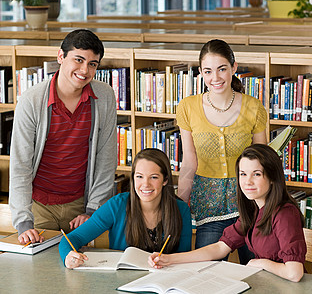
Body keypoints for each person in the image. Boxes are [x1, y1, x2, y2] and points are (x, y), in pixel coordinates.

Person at [9, 29, 117, 245]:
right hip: (38, 206)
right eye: (78, 59)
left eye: (93, 64)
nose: (84, 70)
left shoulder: (104, 96)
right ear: (61, 56)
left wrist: (92, 210)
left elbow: (106, 159)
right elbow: (20, 165)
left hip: (80, 205)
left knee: (80, 268)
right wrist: (24, 222)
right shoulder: (31, 100)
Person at [149, 144, 306, 282]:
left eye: (256, 174)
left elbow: (294, 273)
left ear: (272, 177)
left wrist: (260, 263)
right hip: (269, 283)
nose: (247, 181)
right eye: (243, 174)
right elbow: (219, 248)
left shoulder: (285, 214)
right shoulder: (253, 210)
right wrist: (169, 259)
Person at [176, 39, 267, 262]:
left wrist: (268, 208)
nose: (215, 78)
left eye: (222, 69)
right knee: (207, 273)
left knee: (257, 271)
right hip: (208, 208)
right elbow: (189, 162)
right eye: (208, 71)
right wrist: (179, 206)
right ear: (201, 73)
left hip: (250, 205)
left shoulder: (254, 107)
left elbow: (263, 164)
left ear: (234, 68)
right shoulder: (187, 107)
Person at [60, 148, 192, 269]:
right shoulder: (117, 205)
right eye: (139, 176)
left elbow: (184, 257)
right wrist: (68, 256)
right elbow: (71, 239)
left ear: (165, 180)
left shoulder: (181, 210)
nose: (145, 184)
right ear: (133, 178)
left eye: (154, 177)